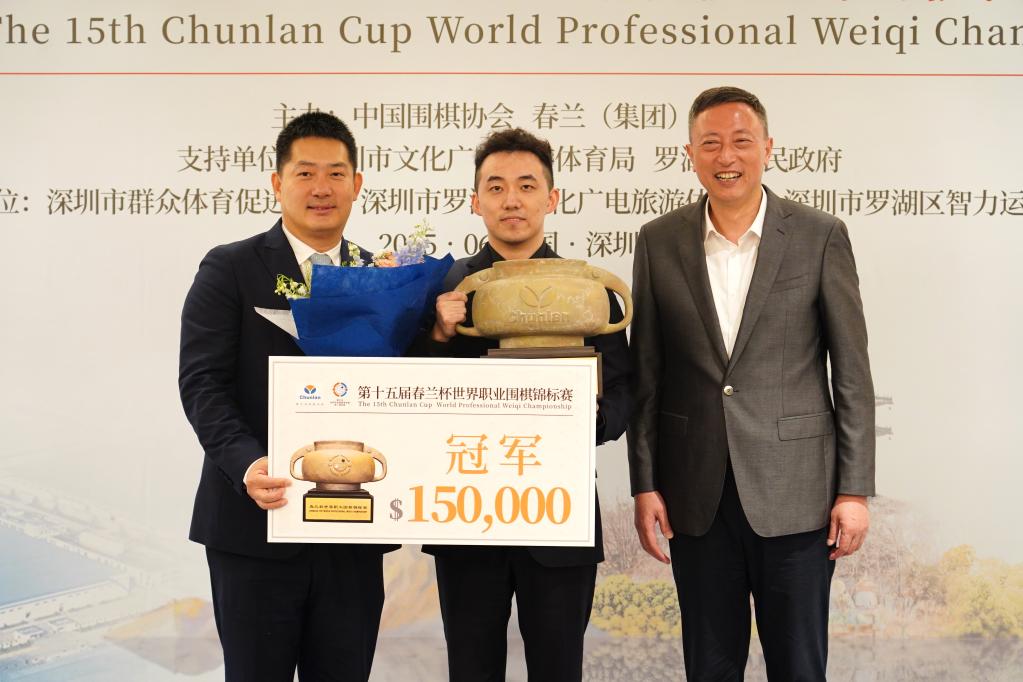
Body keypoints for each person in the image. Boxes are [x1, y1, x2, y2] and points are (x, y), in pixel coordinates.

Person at [628, 86, 875, 681]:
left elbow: (851, 371)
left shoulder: (819, 235)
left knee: (799, 666)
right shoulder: (659, 241)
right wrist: (645, 483)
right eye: (710, 143)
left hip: (798, 495)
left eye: (741, 141)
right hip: (695, 496)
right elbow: (647, 374)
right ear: (690, 153)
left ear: (768, 148)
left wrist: (854, 490)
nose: (726, 156)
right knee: (709, 667)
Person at [179, 112, 395, 682]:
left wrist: (439, 329)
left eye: (336, 173)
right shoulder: (230, 268)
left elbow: (404, 389)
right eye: (305, 173)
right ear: (277, 183)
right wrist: (247, 463)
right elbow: (202, 382)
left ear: (357, 183)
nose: (321, 188)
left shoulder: (383, 278)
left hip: (350, 530)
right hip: (256, 524)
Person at [414, 128, 631, 681]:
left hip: (559, 515)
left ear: (551, 198)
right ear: (475, 201)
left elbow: (624, 392)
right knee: (471, 669)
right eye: (496, 187)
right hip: (465, 512)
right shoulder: (444, 289)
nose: (511, 200)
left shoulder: (586, 289)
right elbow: (411, 396)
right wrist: (437, 336)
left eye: (527, 186)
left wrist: (586, 418)